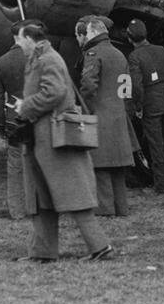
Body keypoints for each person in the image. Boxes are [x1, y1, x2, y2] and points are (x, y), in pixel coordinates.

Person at [10, 21, 113, 262]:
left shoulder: (48, 59)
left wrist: (26, 105)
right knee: (41, 198)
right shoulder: (41, 58)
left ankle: (100, 247)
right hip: (43, 139)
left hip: (55, 139)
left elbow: (55, 92)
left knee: (74, 196)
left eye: (18, 39)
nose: (16, 44)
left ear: (29, 39)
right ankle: (43, 253)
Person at [78, 16, 139, 216]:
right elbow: (127, 90)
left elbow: (88, 86)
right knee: (118, 169)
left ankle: (104, 210)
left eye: (84, 34)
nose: (83, 38)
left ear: (93, 32)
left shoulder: (93, 53)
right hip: (119, 117)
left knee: (101, 167)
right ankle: (121, 207)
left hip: (100, 118)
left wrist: (84, 110)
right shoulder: (119, 54)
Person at [127, 18, 164, 193]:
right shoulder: (162, 50)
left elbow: (137, 86)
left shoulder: (134, 57)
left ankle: (161, 186)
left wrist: (138, 107)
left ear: (129, 38)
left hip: (151, 104)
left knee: (156, 145)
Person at [0, 22, 28, 219]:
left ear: (13, 37)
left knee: (15, 167)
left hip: (15, 121)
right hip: (39, 117)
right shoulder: (38, 58)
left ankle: (17, 211)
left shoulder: (0, 62)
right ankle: (40, 207)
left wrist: (0, 124)